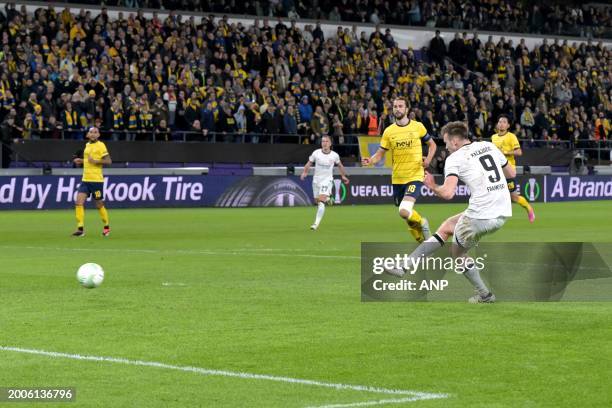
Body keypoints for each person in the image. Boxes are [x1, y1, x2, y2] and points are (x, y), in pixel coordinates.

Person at [387, 121, 515, 303]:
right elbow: (511, 173)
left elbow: (447, 193)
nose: (445, 148)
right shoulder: (488, 145)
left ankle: (485, 295)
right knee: (447, 227)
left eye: (446, 143)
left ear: (455, 142)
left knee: (458, 254)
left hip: (481, 214)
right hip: (502, 211)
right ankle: (404, 266)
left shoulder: (455, 159)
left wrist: (432, 186)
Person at [361, 97, 436, 243]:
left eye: (401, 106)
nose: (397, 109)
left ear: (406, 109)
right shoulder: (389, 131)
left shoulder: (418, 126)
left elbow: (432, 145)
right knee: (406, 215)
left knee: (404, 210)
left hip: (415, 175)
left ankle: (423, 223)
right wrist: (370, 160)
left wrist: (428, 160)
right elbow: (380, 154)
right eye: (395, 106)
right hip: (397, 178)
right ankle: (422, 241)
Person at [491, 114, 536, 222]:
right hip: (496, 171)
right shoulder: (493, 137)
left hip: (508, 171)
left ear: (508, 126)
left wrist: (505, 152)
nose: (501, 124)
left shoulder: (511, 136)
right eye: (500, 122)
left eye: (504, 122)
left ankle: (529, 208)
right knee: (493, 194)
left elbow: (519, 152)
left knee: (514, 197)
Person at [300, 135, 349, 230]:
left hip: (327, 180)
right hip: (316, 180)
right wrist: (305, 172)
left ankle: (315, 224)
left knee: (321, 201)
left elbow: (340, 165)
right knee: (317, 201)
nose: (324, 143)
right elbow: (309, 163)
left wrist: (343, 176)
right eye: (323, 141)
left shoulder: (334, 155)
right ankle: (328, 198)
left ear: (330, 143)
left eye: (326, 141)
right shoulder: (316, 153)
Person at [72, 127, 111, 237]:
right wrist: (81, 161)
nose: (93, 134)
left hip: (96, 181)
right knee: (79, 202)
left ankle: (107, 227)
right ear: (87, 135)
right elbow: (89, 162)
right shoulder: (87, 146)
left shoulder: (101, 145)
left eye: (95, 132)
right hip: (85, 180)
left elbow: (108, 161)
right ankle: (80, 229)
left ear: (98, 135)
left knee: (99, 204)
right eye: (91, 132)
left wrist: (96, 161)